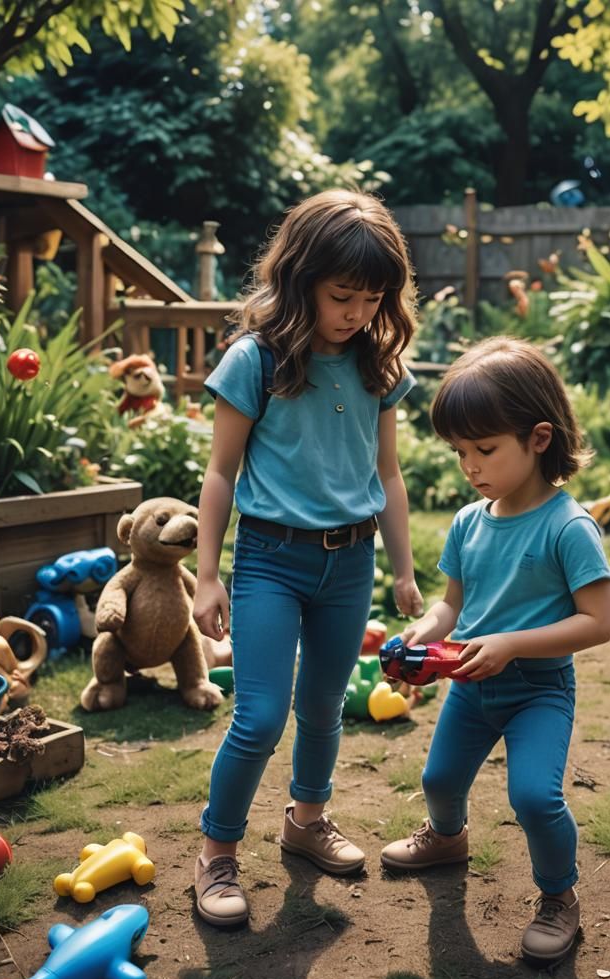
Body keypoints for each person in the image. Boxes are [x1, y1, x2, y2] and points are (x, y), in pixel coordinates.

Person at [192, 190, 424, 927]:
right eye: (342, 295)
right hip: (270, 560)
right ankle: (216, 853)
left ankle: (307, 821)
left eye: (372, 298)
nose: (357, 312)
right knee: (260, 716)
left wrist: (404, 569)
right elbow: (221, 472)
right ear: (301, 280)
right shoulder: (255, 359)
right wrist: (207, 575)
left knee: (324, 705)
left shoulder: (377, 364)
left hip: (350, 563)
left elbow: (388, 474)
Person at [379, 337, 610, 967]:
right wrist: (424, 631)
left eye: (484, 450)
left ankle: (559, 896)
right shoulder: (468, 522)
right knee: (438, 780)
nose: (470, 466)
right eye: (459, 452)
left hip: (538, 691)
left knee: (535, 798)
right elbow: (452, 606)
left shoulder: (569, 526)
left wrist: (511, 645)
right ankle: (447, 839)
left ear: (539, 438)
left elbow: (599, 623)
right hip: (470, 685)